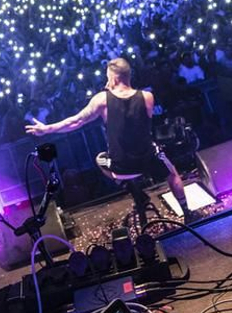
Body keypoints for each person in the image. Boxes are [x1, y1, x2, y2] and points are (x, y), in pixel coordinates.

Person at [26, 57, 195, 223]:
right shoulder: (147, 97)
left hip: (122, 165)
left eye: (108, 77)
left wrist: (48, 129)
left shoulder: (102, 99)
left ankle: (130, 188)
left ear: (113, 78)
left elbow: (76, 121)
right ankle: (187, 212)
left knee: (100, 158)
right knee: (172, 174)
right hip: (148, 160)